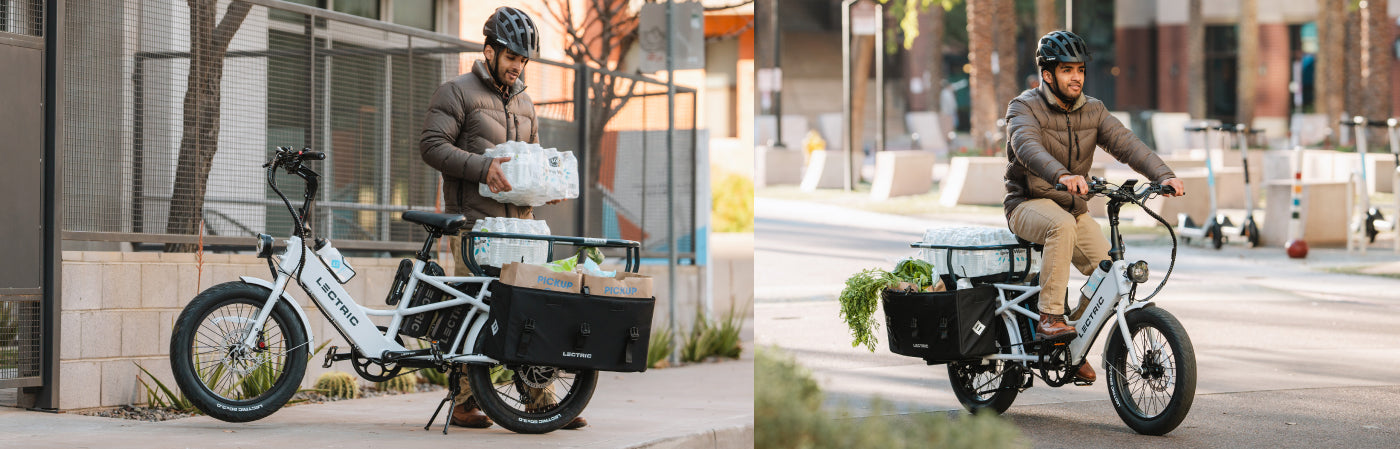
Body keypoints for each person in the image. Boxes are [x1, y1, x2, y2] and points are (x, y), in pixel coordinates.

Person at [419, 6, 583, 430]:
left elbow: (533, 160)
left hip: (521, 228)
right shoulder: (456, 92)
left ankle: (541, 400)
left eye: (524, 60)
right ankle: (463, 402)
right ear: (489, 50)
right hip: (475, 227)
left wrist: (550, 187)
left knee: (529, 310)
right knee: (477, 313)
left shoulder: (526, 104)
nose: (518, 66)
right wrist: (480, 168)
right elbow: (432, 146)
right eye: (512, 57)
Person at [1002, 30, 1186, 383]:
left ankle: (1070, 346)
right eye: (1068, 70)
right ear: (1047, 74)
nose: (1076, 77)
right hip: (1027, 204)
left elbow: (1128, 145)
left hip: (1072, 207)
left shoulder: (1094, 110)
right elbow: (1026, 146)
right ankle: (1049, 317)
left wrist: (1163, 175)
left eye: (1081, 70)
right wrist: (1062, 174)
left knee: (1108, 274)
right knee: (1061, 226)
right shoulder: (1023, 107)